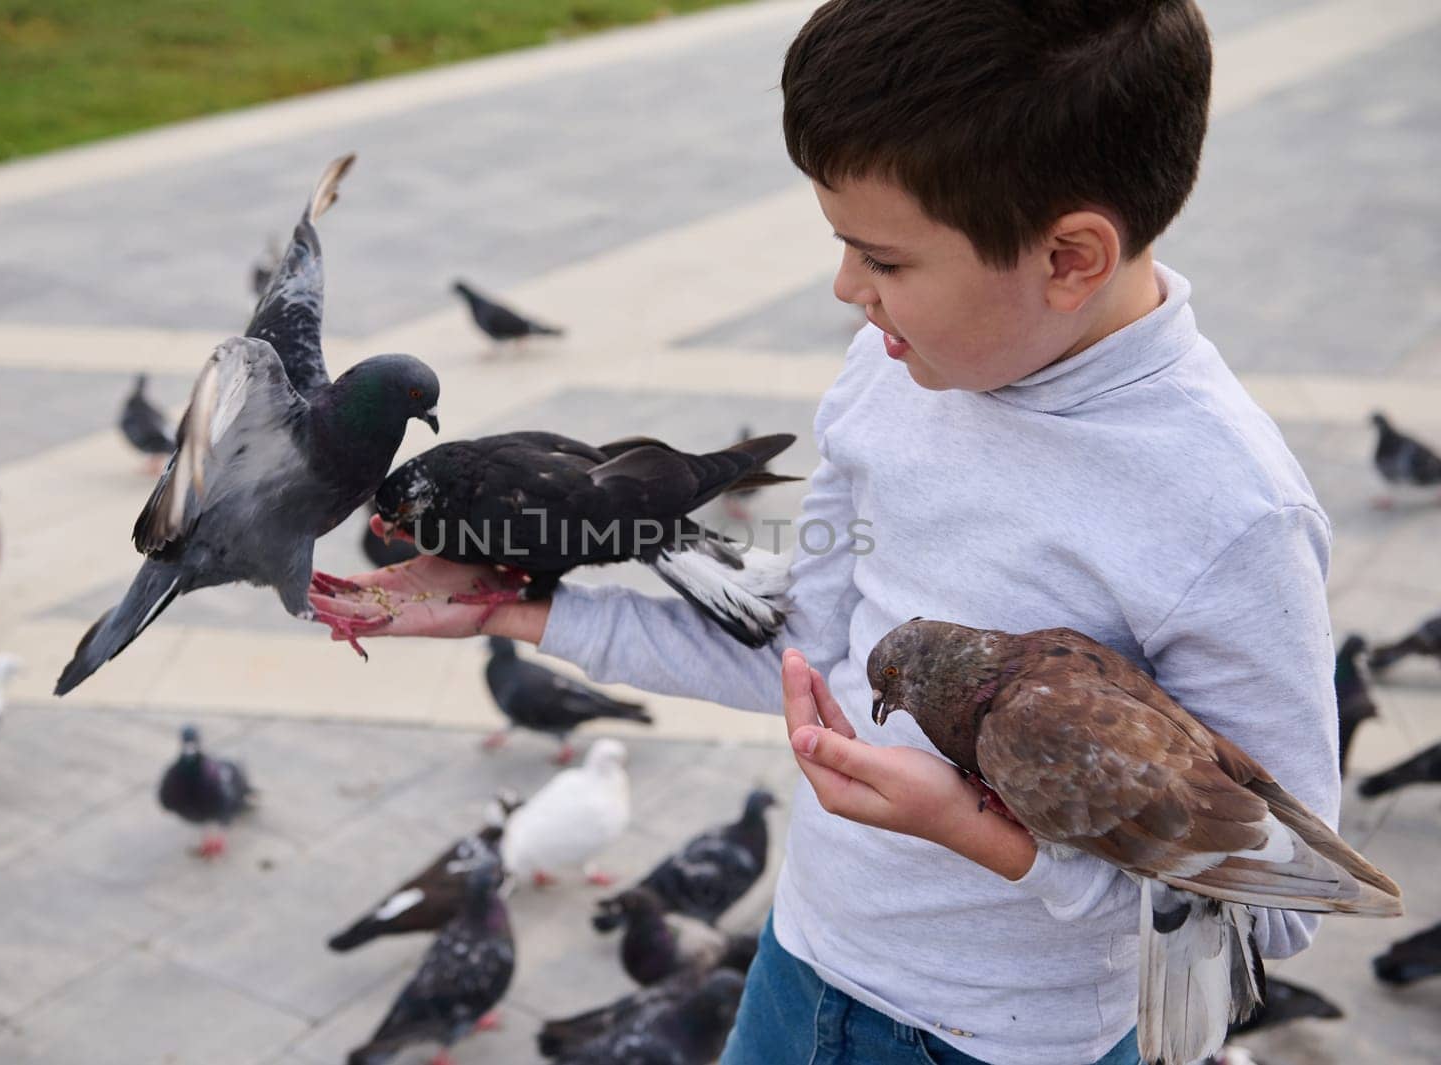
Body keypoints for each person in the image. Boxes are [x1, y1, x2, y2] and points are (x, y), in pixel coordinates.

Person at [312, 2, 1341, 1062]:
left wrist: (991, 840)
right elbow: (806, 654)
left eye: (883, 261)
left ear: (1070, 257)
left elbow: (1274, 908)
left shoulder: (1229, 513)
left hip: (1009, 1045)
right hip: (800, 967)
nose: (848, 292)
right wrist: (520, 607)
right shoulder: (890, 378)